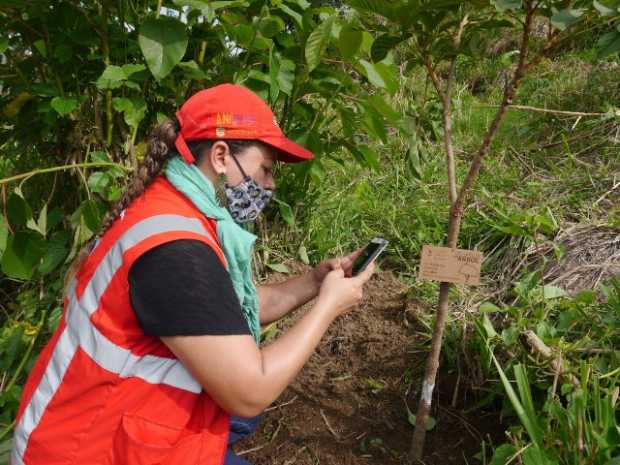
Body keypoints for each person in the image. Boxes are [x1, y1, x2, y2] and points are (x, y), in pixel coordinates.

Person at [10, 83, 375, 465]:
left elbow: (223, 312)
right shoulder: (176, 250)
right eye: (265, 169)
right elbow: (250, 390)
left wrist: (314, 284)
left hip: (108, 425)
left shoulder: (174, 210)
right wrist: (329, 308)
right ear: (220, 156)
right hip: (89, 447)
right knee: (247, 410)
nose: (269, 185)